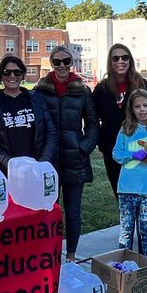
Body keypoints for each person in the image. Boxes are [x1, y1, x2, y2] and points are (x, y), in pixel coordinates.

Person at [33, 47, 98, 262]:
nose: (62, 66)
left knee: (72, 212)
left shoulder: (82, 90)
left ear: (72, 62)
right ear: (51, 64)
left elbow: (92, 124)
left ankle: (70, 255)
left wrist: (84, 147)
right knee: (48, 211)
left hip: (74, 158)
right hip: (49, 160)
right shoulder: (40, 90)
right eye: (57, 62)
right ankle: (50, 255)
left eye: (66, 61)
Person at [91, 44, 147, 198]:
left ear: (130, 60)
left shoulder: (141, 85)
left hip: (141, 149)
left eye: (124, 57)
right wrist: (102, 145)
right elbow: (93, 120)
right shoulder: (102, 89)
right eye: (116, 58)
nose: (120, 61)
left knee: (144, 198)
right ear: (110, 61)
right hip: (114, 152)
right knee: (121, 197)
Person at [111, 89, 147, 265]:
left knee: (146, 229)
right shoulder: (126, 129)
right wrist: (134, 155)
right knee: (126, 230)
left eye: (145, 105)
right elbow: (116, 154)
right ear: (131, 109)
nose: (142, 109)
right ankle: (122, 267)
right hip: (127, 187)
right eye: (137, 106)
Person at [0, 54, 57, 173]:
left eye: (17, 72)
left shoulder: (36, 100)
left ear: (23, 75)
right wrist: (11, 165)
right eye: (7, 72)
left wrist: (42, 162)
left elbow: (50, 132)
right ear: (0, 75)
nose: (12, 76)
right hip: (5, 171)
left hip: (36, 169)